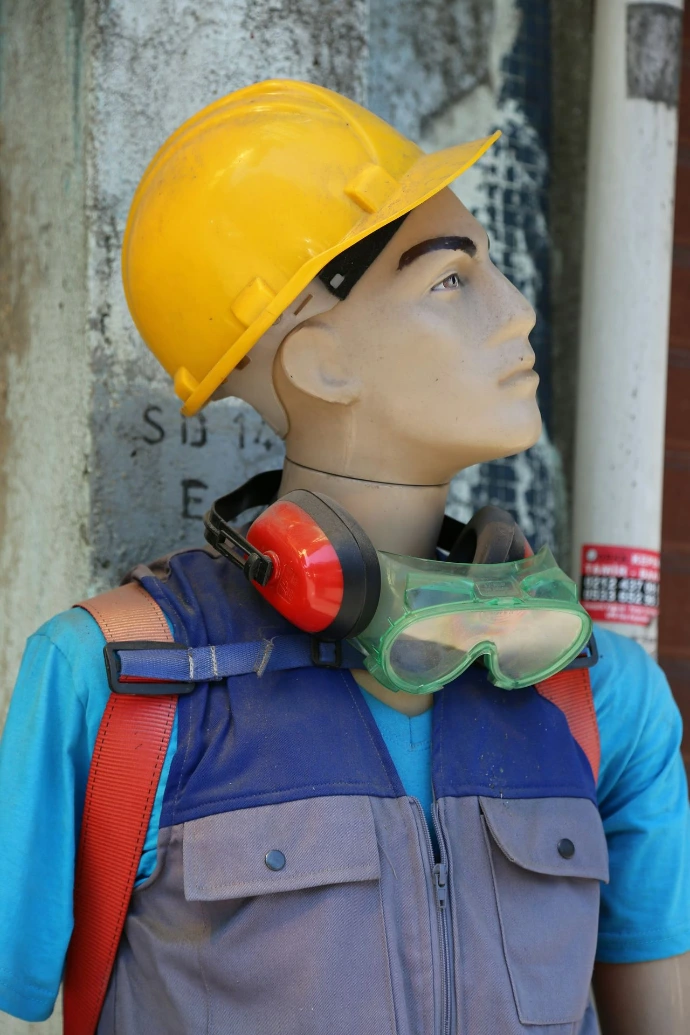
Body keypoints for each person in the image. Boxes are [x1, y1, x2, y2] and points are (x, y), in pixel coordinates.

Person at [0, 80, 688, 1035]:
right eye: (451, 280)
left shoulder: (605, 699)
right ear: (321, 361)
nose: (519, 309)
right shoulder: (113, 683)